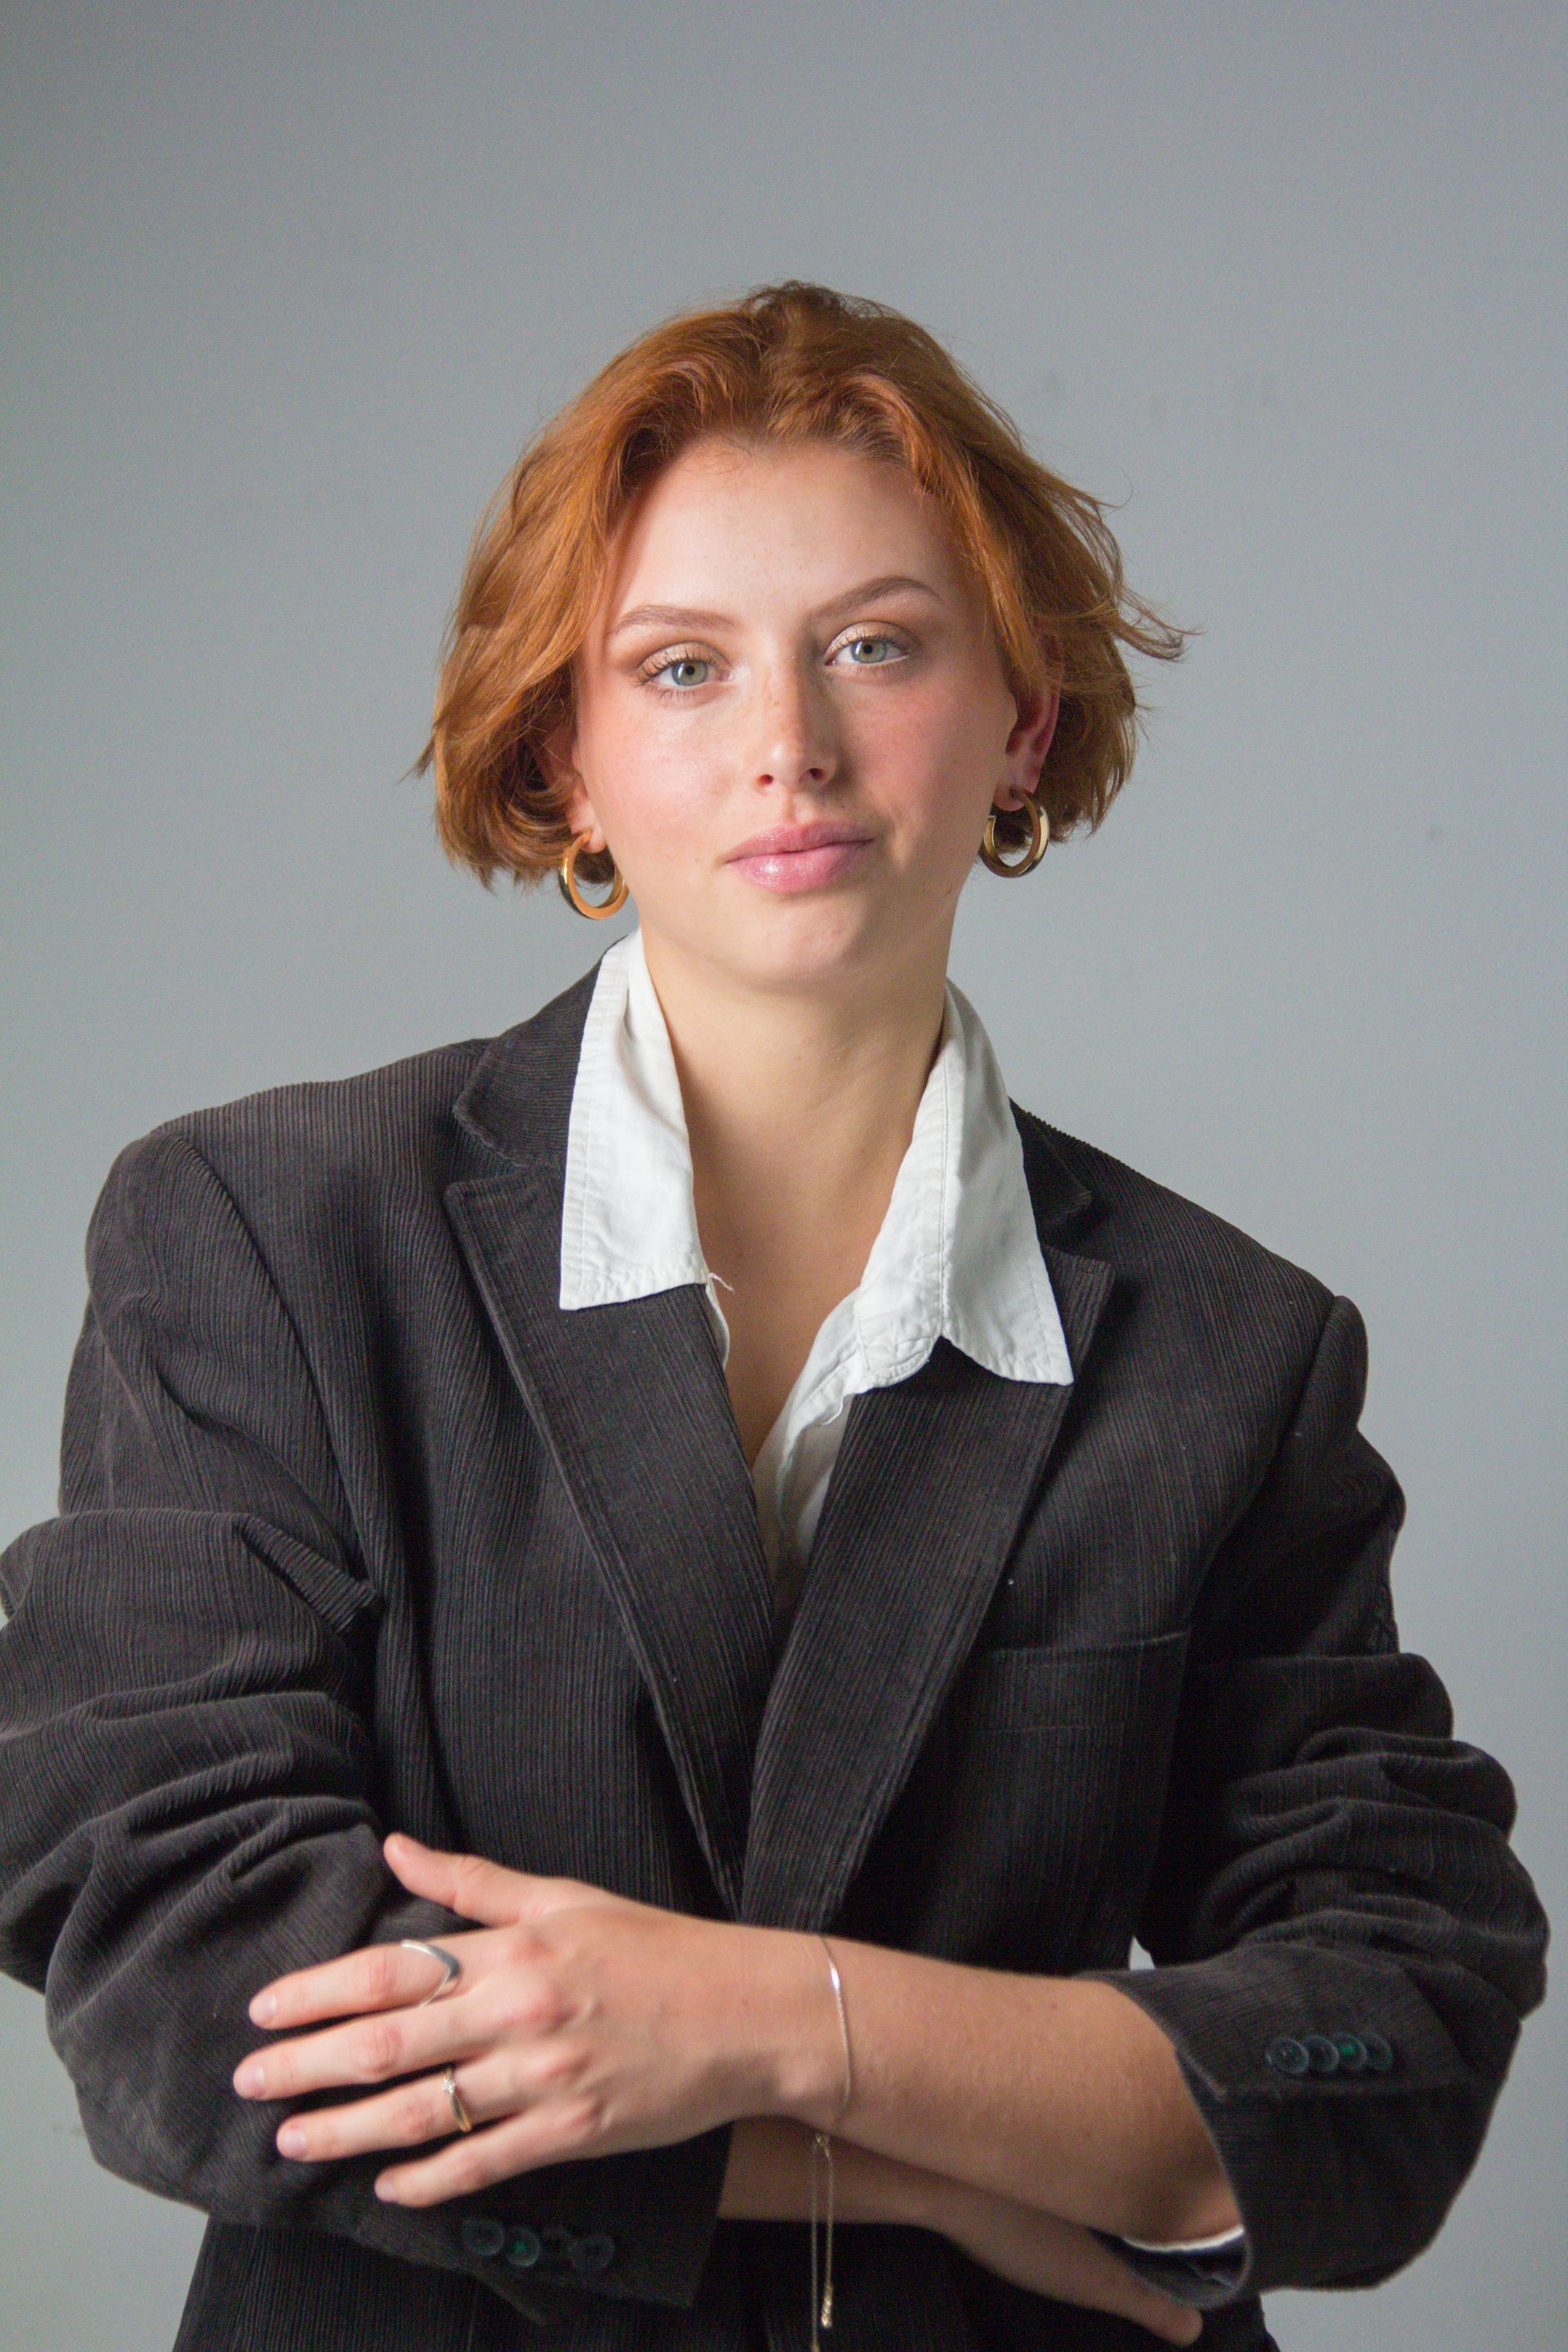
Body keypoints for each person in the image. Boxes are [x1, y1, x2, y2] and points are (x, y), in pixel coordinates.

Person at [0, 279, 1547, 2352]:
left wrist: (773, 2022)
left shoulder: (1227, 1349)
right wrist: (940, 2159)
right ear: (565, 753)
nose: (788, 744)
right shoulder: (268, 1233)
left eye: (878, 645)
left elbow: (1392, 2041)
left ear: (1026, 717)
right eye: (682, 665)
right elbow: (190, 1972)